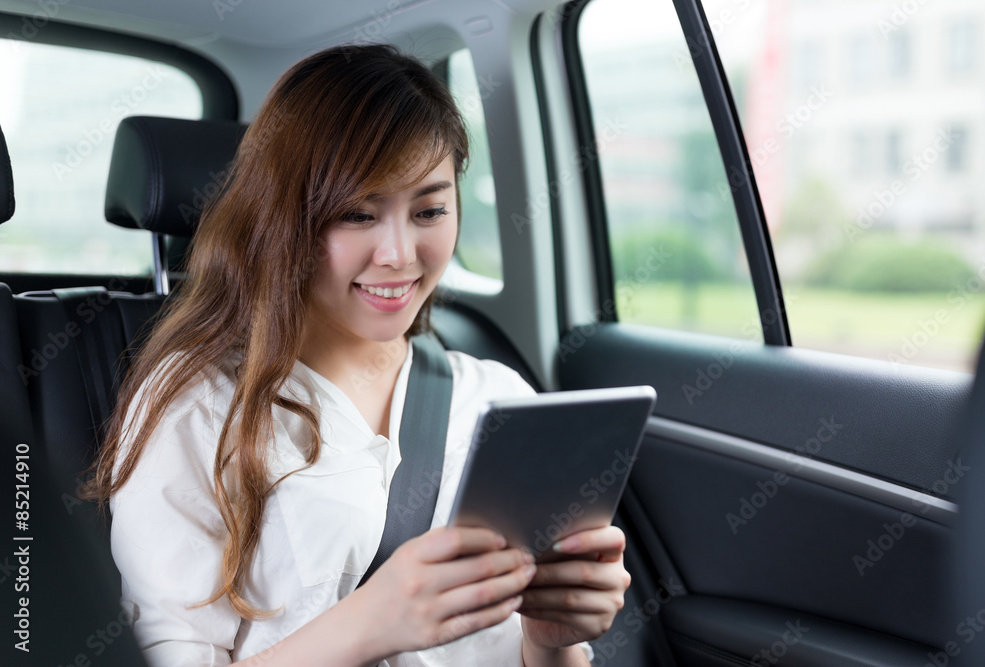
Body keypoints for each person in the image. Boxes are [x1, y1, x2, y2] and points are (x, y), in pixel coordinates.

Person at [85, 44, 630, 666]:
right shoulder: (197, 406)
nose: (400, 253)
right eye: (356, 214)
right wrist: (370, 624)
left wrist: (551, 642)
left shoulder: (499, 398)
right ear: (284, 217)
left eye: (429, 209)